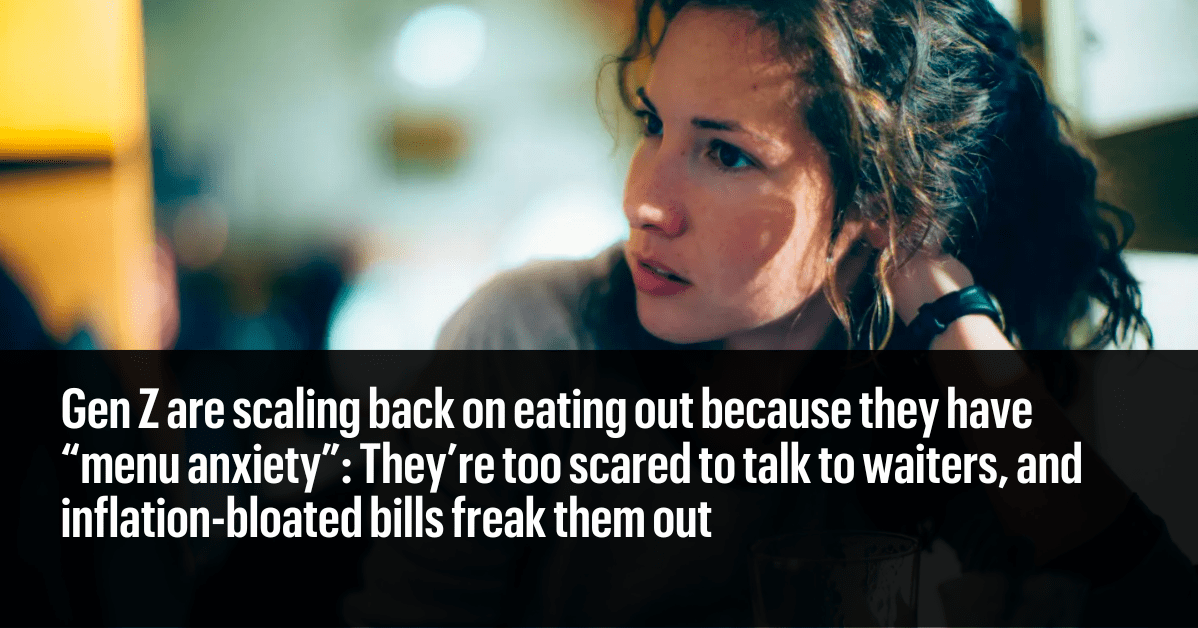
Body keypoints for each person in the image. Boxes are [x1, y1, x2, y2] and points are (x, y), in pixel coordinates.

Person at [346, 1, 1195, 624]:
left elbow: (1140, 602)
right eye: (654, 124)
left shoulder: (920, 389)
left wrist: (949, 310)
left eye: (724, 152)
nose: (645, 200)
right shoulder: (527, 336)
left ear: (879, 210)